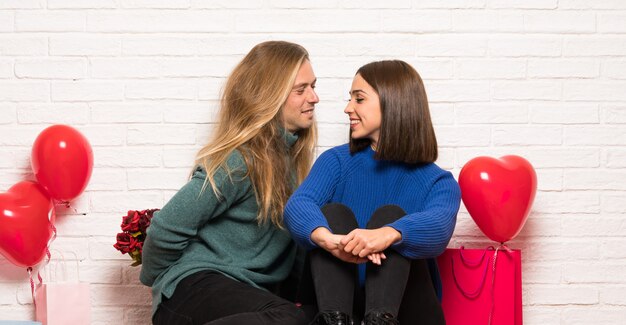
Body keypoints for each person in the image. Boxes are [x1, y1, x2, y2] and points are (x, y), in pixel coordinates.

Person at [139, 41, 319, 325]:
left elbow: (293, 253)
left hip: (243, 298)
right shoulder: (239, 162)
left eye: (313, 86)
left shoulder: (295, 166)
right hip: (194, 286)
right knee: (289, 317)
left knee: (312, 316)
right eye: (301, 90)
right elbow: (165, 229)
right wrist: (163, 287)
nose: (314, 97)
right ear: (271, 96)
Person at [284, 60, 461, 325]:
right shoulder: (336, 162)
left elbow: (439, 227)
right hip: (340, 305)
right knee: (333, 214)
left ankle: (380, 320)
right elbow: (298, 206)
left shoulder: (439, 181)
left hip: (406, 313)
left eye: (359, 99)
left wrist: (386, 235)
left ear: (393, 102)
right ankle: (335, 320)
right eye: (350, 99)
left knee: (392, 217)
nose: (348, 109)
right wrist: (331, 242)